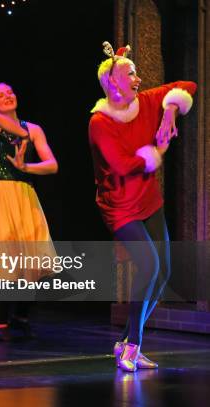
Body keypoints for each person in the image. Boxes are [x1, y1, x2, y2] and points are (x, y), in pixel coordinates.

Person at [88, 42, 196, 372]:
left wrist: (169, 111)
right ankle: (132, 345)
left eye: (136, 72)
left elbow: (188, 86)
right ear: (112, 83)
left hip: (149, 200)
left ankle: (126, 343)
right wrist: (154, 153)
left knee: (163, 273)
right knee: (148, 266)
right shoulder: (99, 122)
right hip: (119, 206)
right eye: (130, 73)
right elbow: (120, 165)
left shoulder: (147, 101)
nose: (138, 78)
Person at [0, 82, 58, 341]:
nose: (7, 96)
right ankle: (2, 320)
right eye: (0, 95)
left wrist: (26, 167)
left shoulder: (34, 129)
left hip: (25, 193)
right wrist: (22, 135)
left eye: (10, 92)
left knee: (34, 258)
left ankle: (22, 315)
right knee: (7, 260)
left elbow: (51, 165)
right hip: (1, 195)